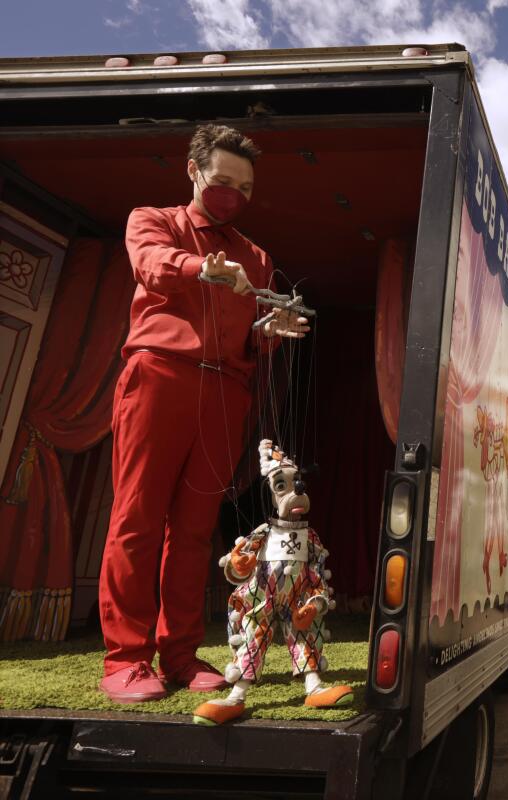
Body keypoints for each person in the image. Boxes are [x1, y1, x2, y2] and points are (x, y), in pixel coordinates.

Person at [97, 124, 309, 703]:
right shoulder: (154, 219)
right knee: (136, 519)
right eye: (222, 181)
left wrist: (271, 332)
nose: (233, 195)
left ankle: (182, 654)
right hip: (159, 375)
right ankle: (125, 659)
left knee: (194, 531)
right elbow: (151, 265)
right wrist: (201, 267)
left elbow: (248, 338)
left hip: (224, 392)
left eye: (244, 188)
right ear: (192, 172)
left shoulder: (257, 256)